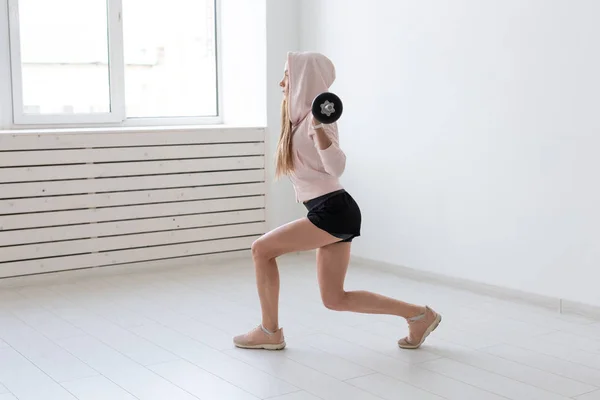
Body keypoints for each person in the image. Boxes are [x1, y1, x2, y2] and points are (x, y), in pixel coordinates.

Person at [233, 51, 441, 351]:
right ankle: (419, 315)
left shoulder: (316, 122)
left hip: (333, 210)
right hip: (334, 211)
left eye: (287, 75)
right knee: (335, 299)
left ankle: (269, 331)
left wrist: (319, 131)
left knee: (261, 249)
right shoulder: (299, 120)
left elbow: (337, 167)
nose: (281, 82)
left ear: (304, 78)